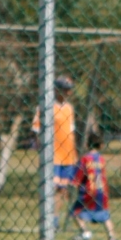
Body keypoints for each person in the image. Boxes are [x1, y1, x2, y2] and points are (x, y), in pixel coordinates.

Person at [33, 75, 78, 225]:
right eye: (65, 90)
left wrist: (75, 154)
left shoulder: (69, 109)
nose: (68, 93)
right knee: (51, 188)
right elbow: (37, 130)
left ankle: (55, 218)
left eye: (69, 90)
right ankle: (47, 218)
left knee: (62, 190)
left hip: (68, 156)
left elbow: (71, 132)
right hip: (53, 155)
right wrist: (41, 150)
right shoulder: (45, 107)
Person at [70, 133, 118, 240]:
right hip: (101, 190)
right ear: (101, 145)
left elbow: (79, 174)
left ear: (87, 145)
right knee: (105, 215)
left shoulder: (85, 159)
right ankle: (112, 237)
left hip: (88, 191)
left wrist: (74, 182)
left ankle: (85, 232)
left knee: (76, 212)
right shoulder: (101, 159)